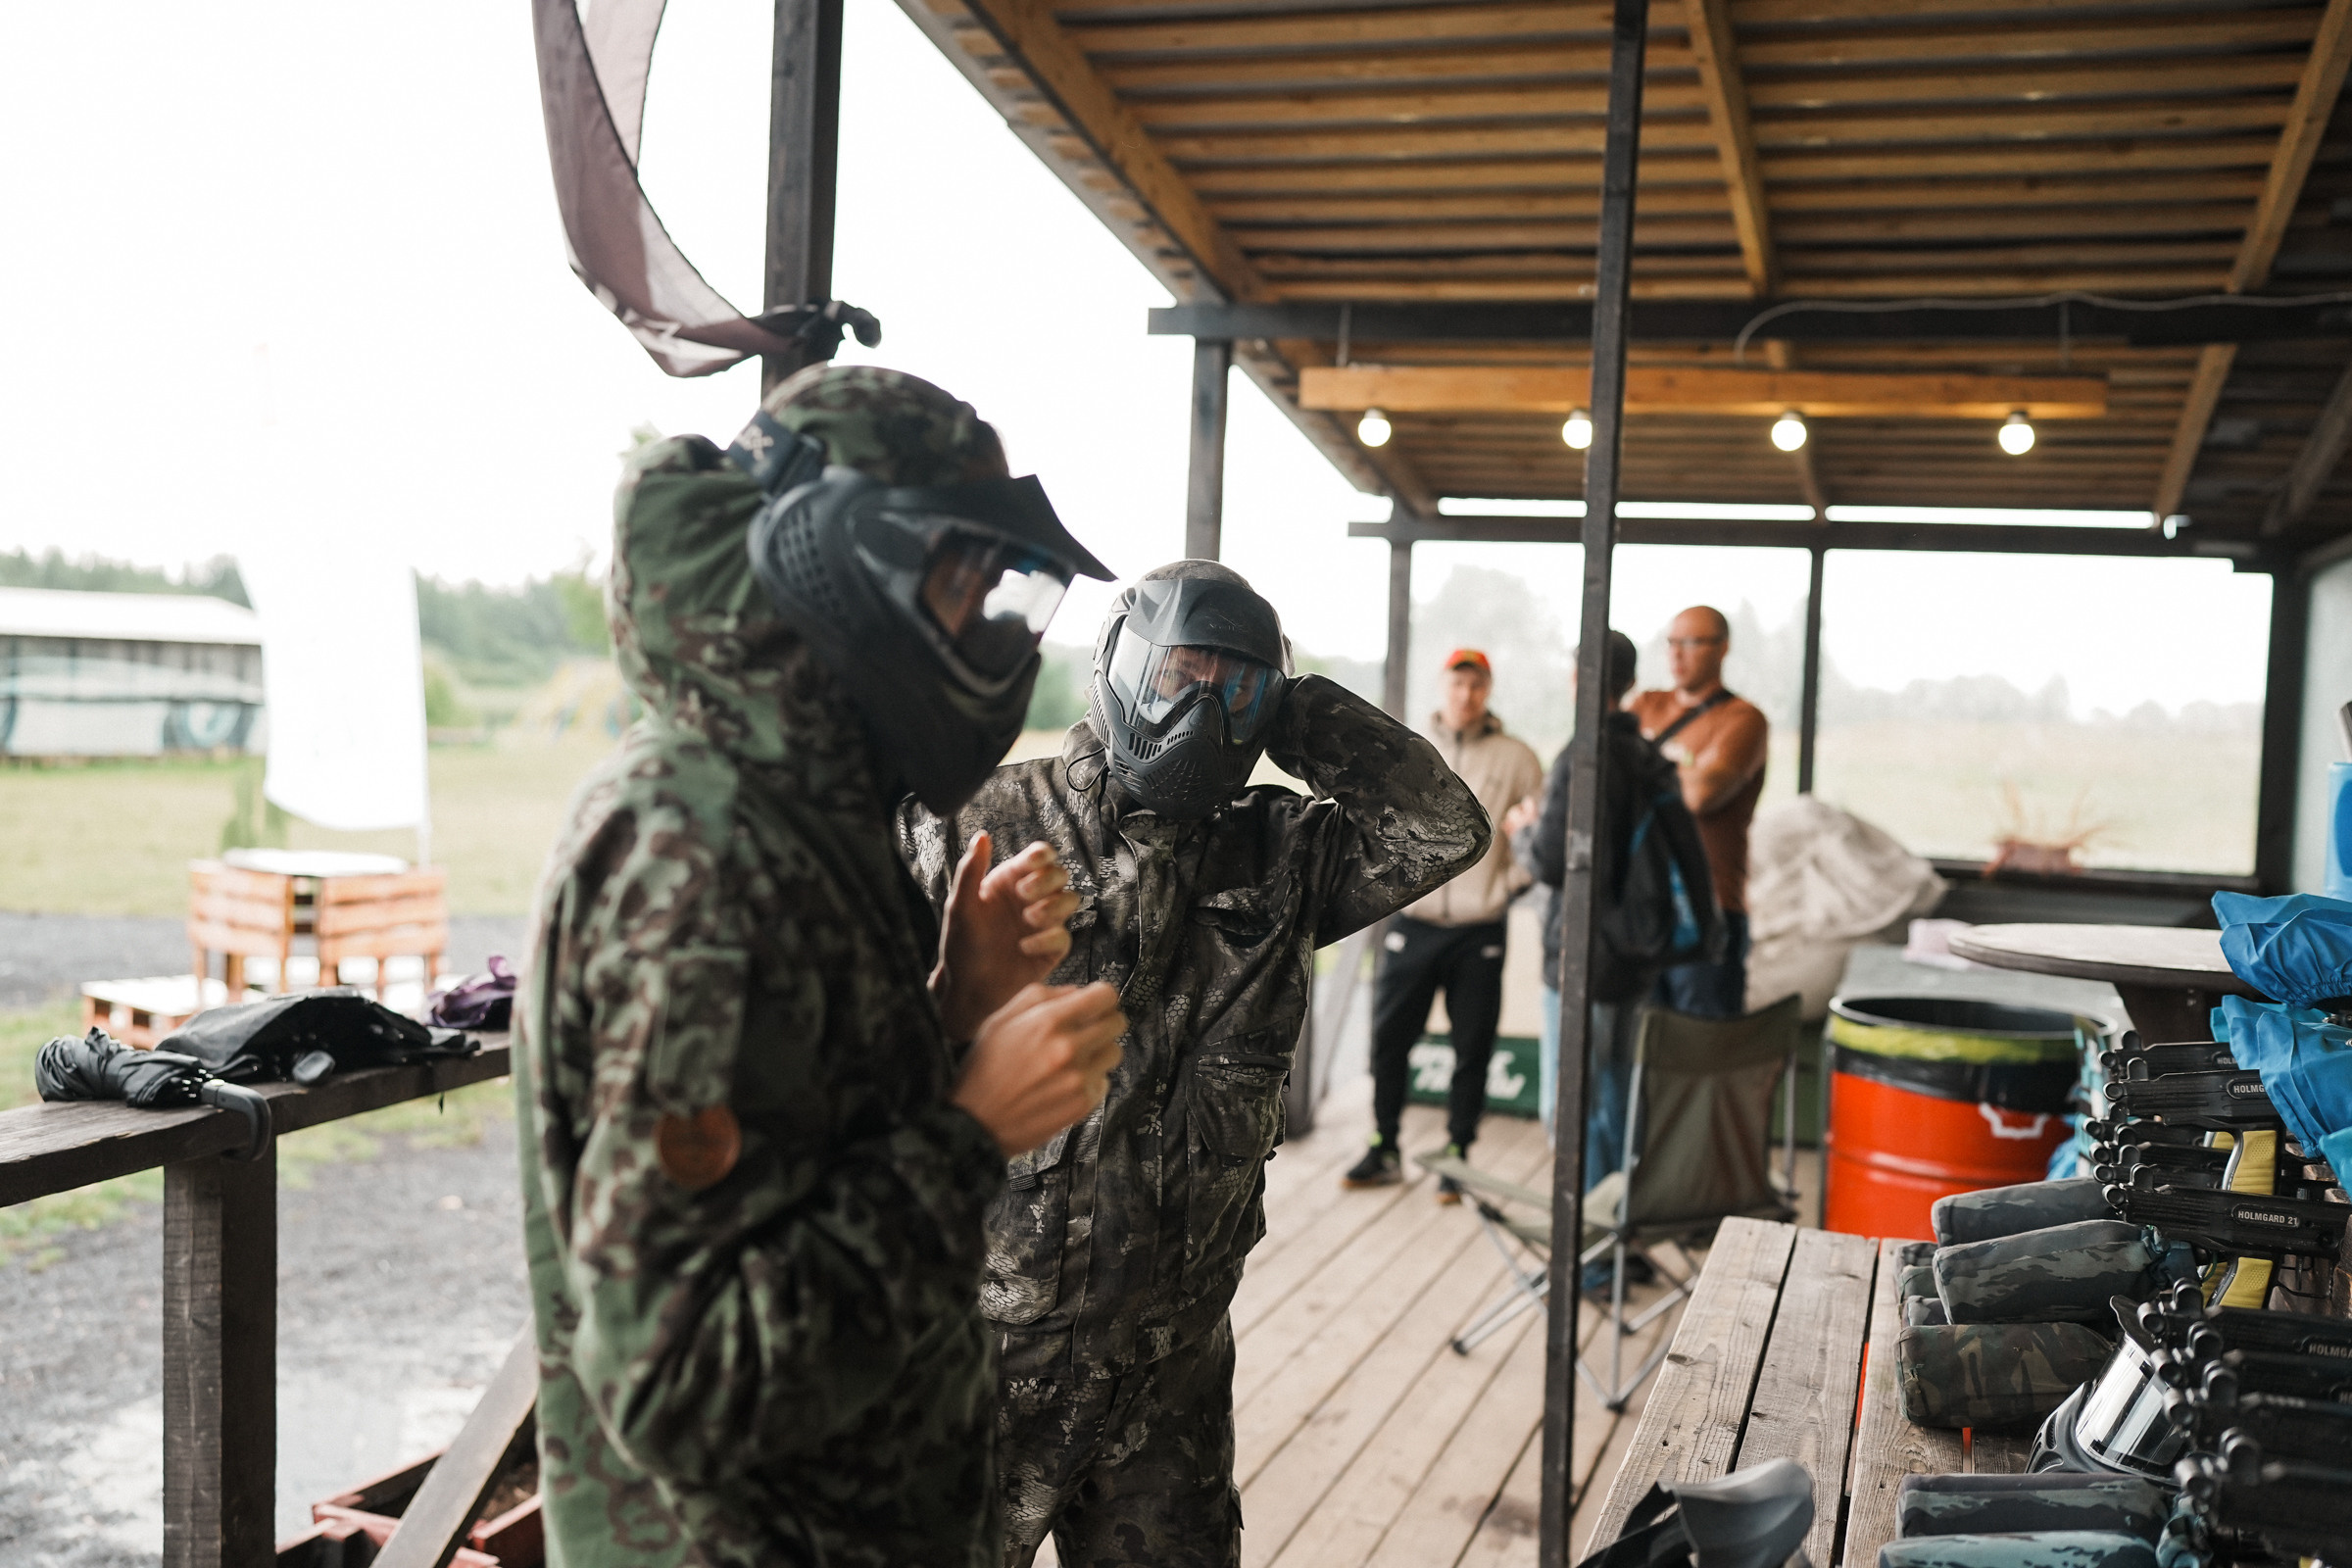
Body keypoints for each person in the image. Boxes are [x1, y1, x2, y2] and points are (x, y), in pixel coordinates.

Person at [514, 366, 1130, 1568]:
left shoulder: (791, 801)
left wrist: (950, 1008)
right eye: (963, 587)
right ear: (838, 561)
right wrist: (968, 1128)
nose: (993, 633)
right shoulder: (702, 847)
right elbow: (679, 1385)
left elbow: (799, 1140)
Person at [897, 561, 1487, 1568]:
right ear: (1119, 669)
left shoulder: (1285, 853)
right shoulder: (979, 824)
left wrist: (1297, 714)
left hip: (1169, 1367)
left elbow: (1444, 829)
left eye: (1236, 687)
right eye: (1179, 675)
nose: (1200, 714)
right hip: (984, 1360)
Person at [1348, 648, 1544, 1197]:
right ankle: (1385, 1145)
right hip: (1413, 922)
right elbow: (1368, 815)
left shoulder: (1517, 757)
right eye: (1458, 684)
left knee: (1473, 1046)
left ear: (1488, 689)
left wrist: (1511, 882)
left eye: (1477, 685)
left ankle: (1458, 1151)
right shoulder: (1410, 749)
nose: (1467, 695)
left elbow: (1548, 829)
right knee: (1389, 1040)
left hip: (1479, 928)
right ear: (1444, 686)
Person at [1627, 606, 1768, 1018]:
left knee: (1701, 1049)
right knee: (1640, 1051)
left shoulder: (1743, 719)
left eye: (1691, 642)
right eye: (1672, 642)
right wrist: (1686, 764)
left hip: (1709, 906)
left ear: (1722, 648)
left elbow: (1702, 796)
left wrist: (1645, 766)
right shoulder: (1646, 705)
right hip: (1644, 906)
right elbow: (1610, 778)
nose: (1677, 654)